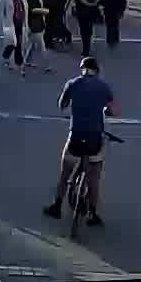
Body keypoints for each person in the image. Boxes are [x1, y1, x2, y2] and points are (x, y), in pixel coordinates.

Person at [44, 57, 117, 225]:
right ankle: (92, 213)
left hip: (76, 136)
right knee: (94, 176)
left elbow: (62, 104)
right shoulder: (103, 86)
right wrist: (104, 110)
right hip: (94, 139)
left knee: (65, 172)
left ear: (82, 69)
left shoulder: (72, 83)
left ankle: (56, 206)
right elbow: (113, 110)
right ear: (96, 71)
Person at [0, 0, 30, 75]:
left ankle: (18, 61)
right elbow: (0, 12)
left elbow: (25, 7)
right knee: (12, 43)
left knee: (19, 41)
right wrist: (4, 22)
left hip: (20, 21)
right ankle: (6, 56)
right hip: (10, 22)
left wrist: (25, 20)